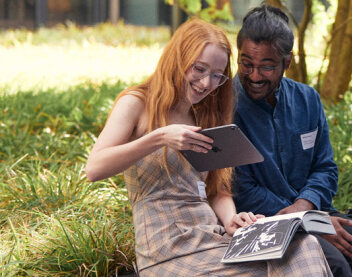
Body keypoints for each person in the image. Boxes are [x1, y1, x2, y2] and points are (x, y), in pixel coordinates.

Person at [84, 19, 331, 276]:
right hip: (166, 249)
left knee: (305, 246)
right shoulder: (137, 103)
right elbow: (94, 168)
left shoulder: (204, 116)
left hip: (213, 237)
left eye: (216, 75)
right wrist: (159, 138)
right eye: (199, 69)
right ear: (178, 59)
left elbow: (217, 190)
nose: (206, 83)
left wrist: (231, 219)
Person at [231, 4, 352, 277]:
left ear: (288, 62)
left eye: (267, 67)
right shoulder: (227, 107)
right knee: (334, 265)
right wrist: (305, 220)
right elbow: (240, 189)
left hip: (313, 212)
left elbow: (325, 168)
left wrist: (306, 207)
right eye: (246, 64)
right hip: (261, 224)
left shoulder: (307, 99)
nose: (255, 76)